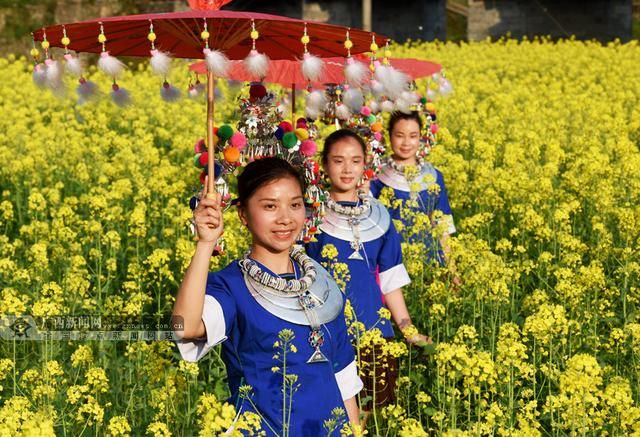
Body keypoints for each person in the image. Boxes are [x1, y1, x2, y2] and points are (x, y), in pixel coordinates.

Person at [173, 157, 362, 436]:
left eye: (295, 205)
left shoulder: (321, 281)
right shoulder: (232, 285)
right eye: (270, 206)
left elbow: (343, 376)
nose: (286, 218)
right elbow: (186, 326)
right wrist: (205, 243)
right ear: (243, 215)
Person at [306, 129, 428, 412]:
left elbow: (390, 280)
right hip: (328, 334)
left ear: (365, 164)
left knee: (377, 414)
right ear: (323, 164)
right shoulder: (309, 217)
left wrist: (407, 329)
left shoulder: (380, 216)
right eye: (338, 161)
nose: (347, 169)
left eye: (355, 161)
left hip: (376, 330)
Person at [369, 111, 456, 266]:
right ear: (389, 136)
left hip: (429, 262)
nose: (406, 143)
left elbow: (443, 229)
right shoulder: (375, 177)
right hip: (391, 263)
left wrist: (452, 269)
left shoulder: (435, 177)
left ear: (421, 137)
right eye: (400, 135)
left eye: (413, 136)